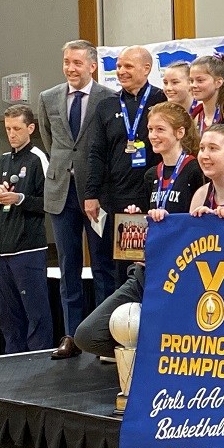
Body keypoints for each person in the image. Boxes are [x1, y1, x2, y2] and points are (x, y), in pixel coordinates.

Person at [74, 103, 206, 357]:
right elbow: (151, 222)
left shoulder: (195, 171)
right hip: (147, 273)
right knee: (87, 335)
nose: (153, 135)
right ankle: (148, 358)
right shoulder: (151, 175)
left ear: (180, 132)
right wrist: (138, 219)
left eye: (160, 129)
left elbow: (199, 225)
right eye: (150, 129)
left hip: (183, 274)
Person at [36, 39, 116, 351]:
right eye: (67, 62)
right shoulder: (48, 97)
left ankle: (103, 336)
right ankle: (71, 336)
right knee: (68, 266)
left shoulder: (107, 98)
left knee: (102, 267)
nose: (71, 68)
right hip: (61, 192)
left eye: (77, 63)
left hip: (95, 193)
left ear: (92, 66)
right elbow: (49, 139)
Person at [85, 45, 167, 285]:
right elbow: (96, 153)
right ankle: (122, 319)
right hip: (115, 198)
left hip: (153, 197)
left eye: (128, 66)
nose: (121, 71)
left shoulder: (161, 100)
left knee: (153, 264)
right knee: (121, 268)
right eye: (119, 66)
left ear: (147, 69)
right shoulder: (106, 106)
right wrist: (91, 194)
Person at [0, 105, 53, 354]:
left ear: (30, 128)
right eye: (7, 129)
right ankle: (12, 357)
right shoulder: (3, 160)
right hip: (1, 248)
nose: (11, 134)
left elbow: (49, 202)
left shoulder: (39, 157)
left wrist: (20, 199)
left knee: (34, 309)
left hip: (28, 246)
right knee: (7, 312)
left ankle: (38, 356)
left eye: (16, 128)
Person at [190, 53, 224, 133]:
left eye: (200, 80)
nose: (193, 85)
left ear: (218, 82)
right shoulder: (195, 116)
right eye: (191, 81)